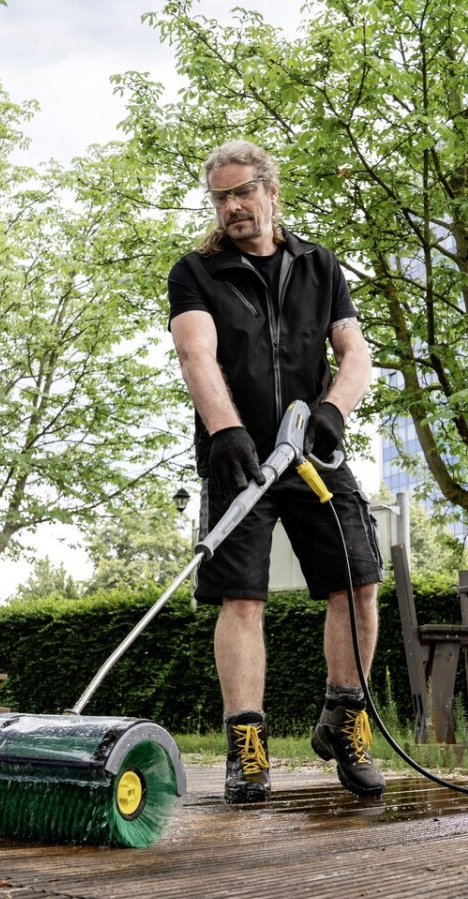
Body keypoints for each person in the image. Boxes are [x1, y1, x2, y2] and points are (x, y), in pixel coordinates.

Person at [167, 139, 386, 805]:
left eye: (242, 192)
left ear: (270, 191)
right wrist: (225, 428)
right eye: (220, 197)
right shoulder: (196, 271)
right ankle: (247, 746)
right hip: (238, 455)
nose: (232, 206)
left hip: (312, 451)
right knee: (242, 598)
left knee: (359, 581)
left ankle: (345, 719)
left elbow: (354, 352)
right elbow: (196, 353)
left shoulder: (320, 264)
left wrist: (334, 408)